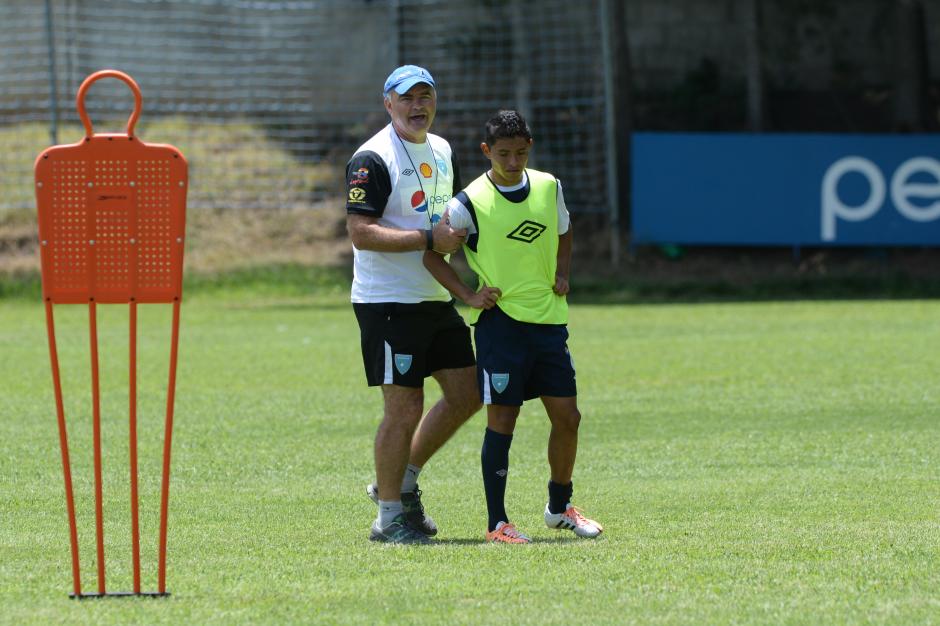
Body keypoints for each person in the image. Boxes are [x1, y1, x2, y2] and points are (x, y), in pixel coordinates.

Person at [423, 110, 603, 544]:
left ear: (530, 149)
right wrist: (468, 296)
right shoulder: (467, 203)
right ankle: (497, 523)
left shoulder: (548, 186)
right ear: (487, 151)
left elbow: (564, 231)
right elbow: (433, 255)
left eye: (521, 152)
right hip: (501, 326)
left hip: (549, 323)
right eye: (503, 153)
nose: (513, 161)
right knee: (503, 419)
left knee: (568, 417)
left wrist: (562, 271)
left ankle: (559, 507)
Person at [345, 65, 482, 544]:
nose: (417, 105)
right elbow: (361, 233)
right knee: (403, 408)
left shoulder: (443, 150)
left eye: (425, 96)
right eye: (406, 98)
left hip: (433, 294)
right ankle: (388, 517)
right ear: (388, 104)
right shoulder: (373, 157)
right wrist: (429, 237)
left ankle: (401, 484)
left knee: (468, 394)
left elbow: (451, 221)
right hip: (387, 302)